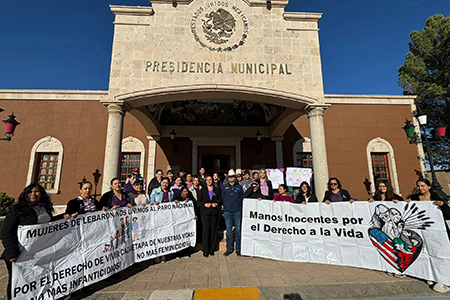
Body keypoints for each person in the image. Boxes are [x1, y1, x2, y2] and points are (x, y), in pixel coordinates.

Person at [1, 184, 60, 300]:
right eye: (30, 192)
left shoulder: (45, 208)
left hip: (37, 252)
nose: (33, 194)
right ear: (25, 194)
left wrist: (66, 217)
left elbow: (50, 224)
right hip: (19, 252)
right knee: (17, 281)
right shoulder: (17, 210)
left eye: (36, 191)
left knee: (36, 279)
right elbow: (7, 231)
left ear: (42, 194)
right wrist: (12, 252)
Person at [406, 179, 450, 293]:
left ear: (429, 186)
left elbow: (448, 214)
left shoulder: (436, 197)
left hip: (437, 232)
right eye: (419, 186)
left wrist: (442, 205)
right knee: (424, 252)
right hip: (421, 232)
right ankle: (430, 275)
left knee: (439, 253)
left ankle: (445, 280)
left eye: (423, 186)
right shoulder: (414, 198)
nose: (421, 188)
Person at [150, 178, 174, 263]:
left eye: (166, 183)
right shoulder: (155, 191)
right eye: (163, 182)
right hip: (157, 216)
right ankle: (157, 255)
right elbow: (151, 203)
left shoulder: (171, 192)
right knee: (157, 235)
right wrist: (154, 204)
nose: (165, 184)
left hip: (166, 217)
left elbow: (172, 203)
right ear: (161, 183)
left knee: (164, 235)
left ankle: (163, 254)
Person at [198, 176, 222, 257]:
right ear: (205, 181)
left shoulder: (217, 189)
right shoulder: (203, 190)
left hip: (214, 212)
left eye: (210, 180)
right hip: (205, 213)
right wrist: (204, 204)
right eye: (207, 180)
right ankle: (206, 250)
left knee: (213, 230)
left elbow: (220, 200)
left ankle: (212, 249)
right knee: (206, 231)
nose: (209, 181)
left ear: (212, 180)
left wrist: (217, 203)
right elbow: (199, 201)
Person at [222, 169, 244, 256]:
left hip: (237, 211)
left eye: (232, 177)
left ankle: (238, 249)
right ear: (228, 178)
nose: (231, 178)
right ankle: (229, 248)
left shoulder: (239, 187)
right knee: (229, 230)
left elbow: (242, 198)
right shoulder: (224, 187)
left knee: (238, 230)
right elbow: (222, 197)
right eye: (229, 177)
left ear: (234, 177)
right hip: (227, 211)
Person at [175, 187, 198, 258]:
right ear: (181, 192)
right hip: (179, 221)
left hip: (188, 221)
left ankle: (186, 252)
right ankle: (178, 253)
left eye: (186, 191)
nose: (186, 193)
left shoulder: (191, 198)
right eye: (184, 191)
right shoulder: (178, 199)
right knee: (179, 237)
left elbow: (195, 206)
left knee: (186, 236)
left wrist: (195, 215)